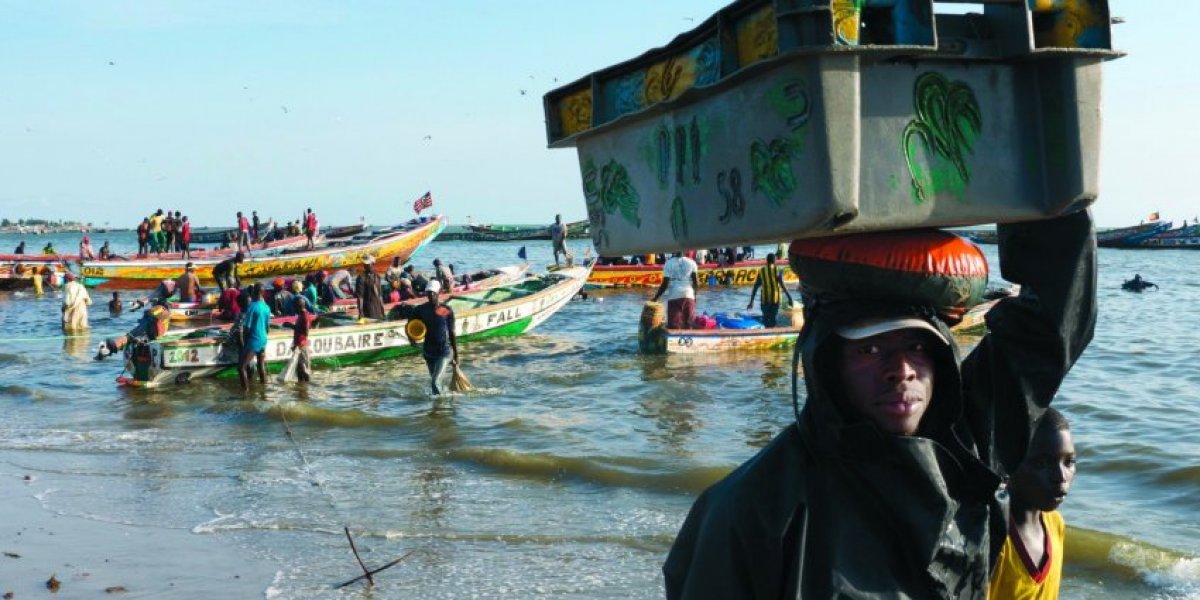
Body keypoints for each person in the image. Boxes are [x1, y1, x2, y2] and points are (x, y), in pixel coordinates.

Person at [663, 211, 1097, 598]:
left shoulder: (965, 450)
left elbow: (1051, 323)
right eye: (870, 350)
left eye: (917, 345)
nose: (902, 370)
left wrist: (1038, 180)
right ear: (828, 362)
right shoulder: (753, 509)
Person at [989, 408, 1075, 600]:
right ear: (1006, 462)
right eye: (1041, 463)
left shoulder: (1056, 524)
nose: (1061, 477)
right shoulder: (993, 538)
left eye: (1069, 462)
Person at [395, 279, 457, 395]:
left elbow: (452, 332)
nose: (431, 295)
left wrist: (456, 356)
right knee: (437, 384)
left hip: (444, 352)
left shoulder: (446, 310)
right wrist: (411, 339)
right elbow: (409, 325)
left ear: (439, 292)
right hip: (429, 353)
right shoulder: (421, 310)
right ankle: (443, 402)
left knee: (435, 382)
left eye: (433, 293)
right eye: (428, 293)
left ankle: (440, 410)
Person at [652, 251, 699, 329]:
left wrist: (656, 298)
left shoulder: (669, 263)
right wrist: (695, 296)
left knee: (674, 325)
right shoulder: (691, 262)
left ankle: (674, 339)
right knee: (689, 323)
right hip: (689, 295)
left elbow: (665, 284)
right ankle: (689, 338)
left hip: (674, 295)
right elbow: (696, 282)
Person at [238, 283, 272, 392]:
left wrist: (245, 344)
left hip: (254, 339)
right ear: (263, 293)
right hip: (263, 339)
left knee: (241, 367)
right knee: (260, 363)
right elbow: (268, 328)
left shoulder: (252, 306)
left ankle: (245, 393)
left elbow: (246, 328)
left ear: (254, 292)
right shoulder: (267, 307)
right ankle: (264, 387)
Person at [746, 252, 794, 327]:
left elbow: (756, 286)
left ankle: (766, 332)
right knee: (773, 318)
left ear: (767, 261)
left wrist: (751, 302)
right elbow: (782, 284)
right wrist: (789, 297)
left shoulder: (761, 271)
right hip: (776, 299)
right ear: (775, 261)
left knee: (765, 318)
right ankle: (771, 333)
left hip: (765, 299)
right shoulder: (778, 270)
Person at [291, 296, 312, 382]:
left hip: (302, 345)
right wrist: (292, 326)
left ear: (298, 307)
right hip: (298, 345)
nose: (294, 308)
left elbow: (306, 332)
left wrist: (293, 327)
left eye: (295, 306)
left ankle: (306, 388)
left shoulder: (305, 316)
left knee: (304, 369)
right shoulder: (301, 315)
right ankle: (301, 390)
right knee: (299, 369)